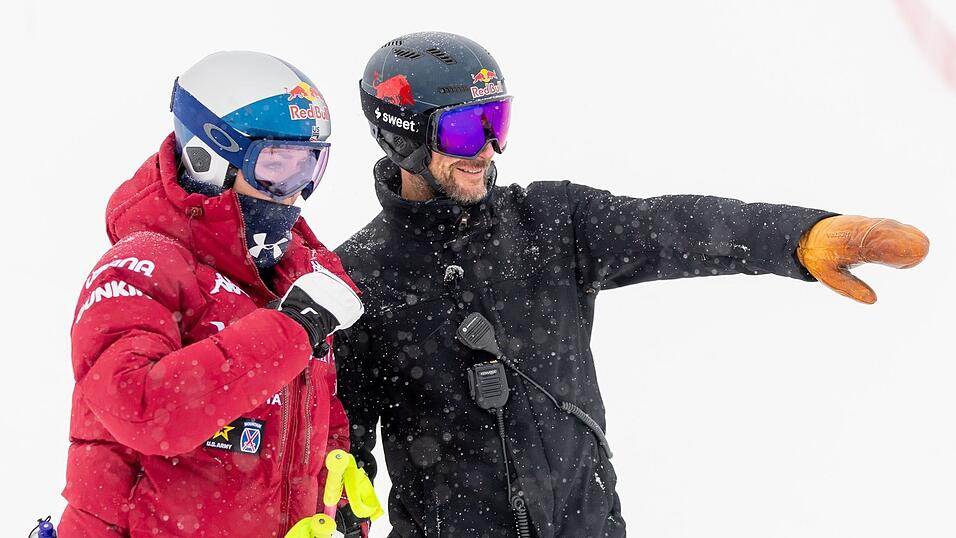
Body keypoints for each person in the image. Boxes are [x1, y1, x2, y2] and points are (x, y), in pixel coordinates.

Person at [333, 32, 930, 537]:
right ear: (401, 135)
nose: (487, 149)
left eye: (498, 121)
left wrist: (799, 238)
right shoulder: (358, 279)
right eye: (466, 129)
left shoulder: (549, 222)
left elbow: (670, 226)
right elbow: (340, 456)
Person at [61, 51, 365, 537]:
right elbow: (143, 409)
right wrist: (289, 330)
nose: (294, 190)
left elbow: (317, 413)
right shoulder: (140, 268)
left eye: (309, 165)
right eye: (275, 165)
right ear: (209, 158)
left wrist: (335, 501)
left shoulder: (295, 266)